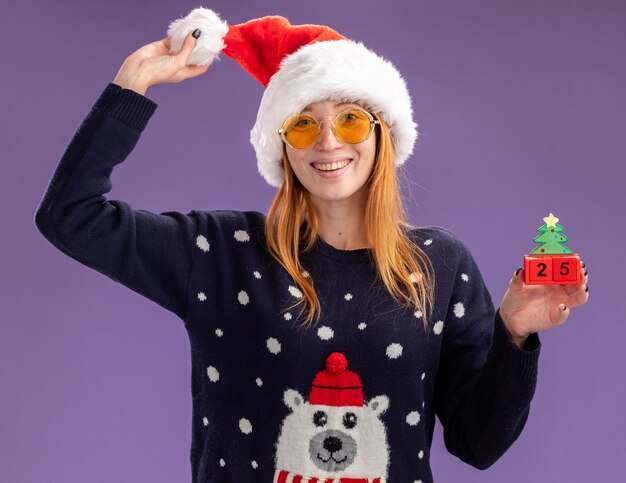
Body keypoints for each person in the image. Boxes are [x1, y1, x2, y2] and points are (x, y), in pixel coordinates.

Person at [34, 7, 589, 483]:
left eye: (349, 120)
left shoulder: (440, 264)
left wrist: (514, 334)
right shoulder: (221, 253)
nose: (327, 142)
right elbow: (71, 216)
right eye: (302, 125)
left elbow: (479, 444)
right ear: (282, 145)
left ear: (382, 134)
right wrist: (133, 82)